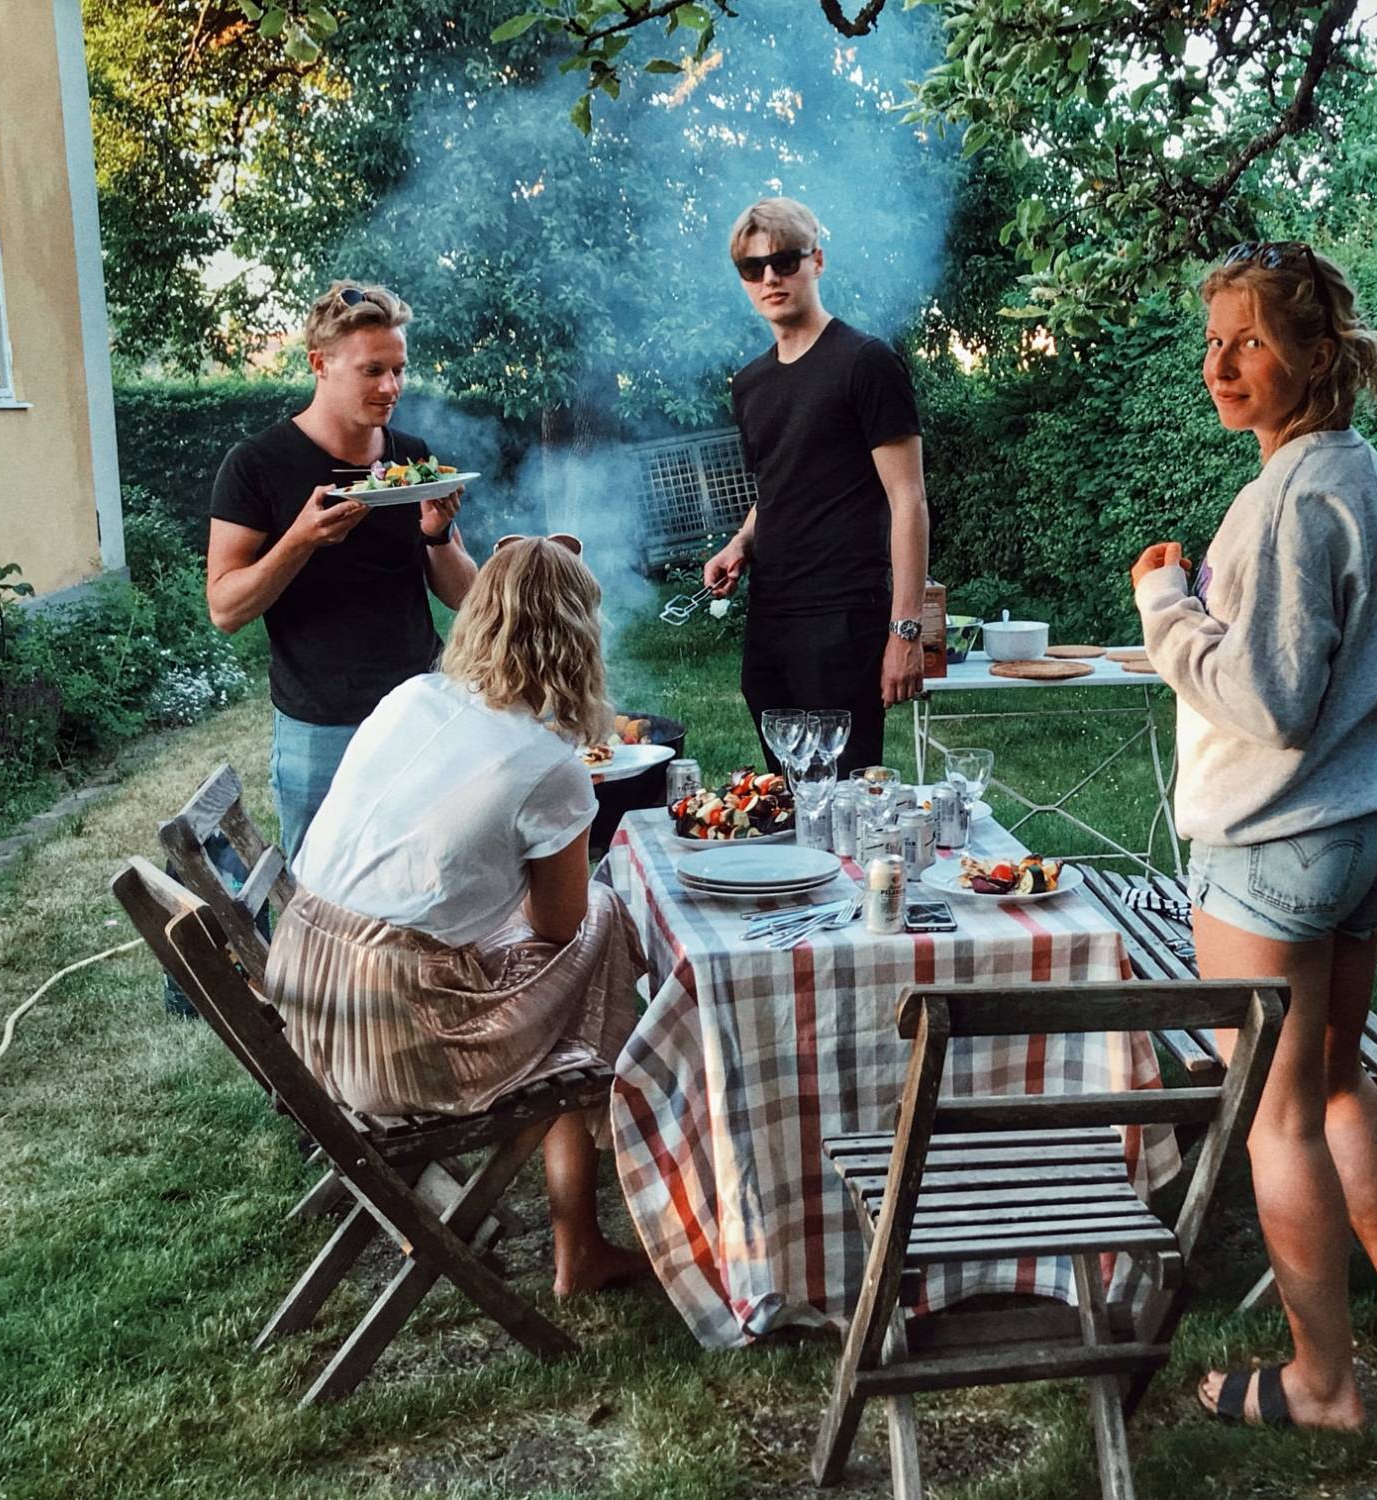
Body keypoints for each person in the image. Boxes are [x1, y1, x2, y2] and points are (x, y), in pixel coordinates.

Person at [1130, 242, 1377, 1428]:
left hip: (1276, 847)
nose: (1219, 364)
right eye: (1212, 341)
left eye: (1249, 341)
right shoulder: (1366, 481)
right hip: (1369, 833)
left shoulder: (1282, 502)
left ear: (1319, 357)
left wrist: (1165, 610)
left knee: (1274, 1117)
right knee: (1335, 1087)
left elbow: (1266, 700)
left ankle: (1322, 1385)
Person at [263, 536, 648, 1297]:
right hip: (391, 1038)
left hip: (302, 1000)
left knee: (567, 958)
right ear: (579, 637)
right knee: (604, 925)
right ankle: (595, 1214)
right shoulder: (551, 766)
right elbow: (560, 928)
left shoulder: (411, 696)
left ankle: (584, 1229)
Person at [206, 281, 478, 858]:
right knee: (317, 897)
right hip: (319, 726)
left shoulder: (410, 456)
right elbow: (225, 608)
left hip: (418, 711)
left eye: (399, 370)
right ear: (320, 364)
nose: (391, 387)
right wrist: (300, 540)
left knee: (425, 878)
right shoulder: (257, 465)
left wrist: (435, 535)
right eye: (372, 370)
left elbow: (464, 595)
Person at [702, 197, 929, 774]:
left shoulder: (866, 363)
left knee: (845, 804)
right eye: (753, 269)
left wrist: (906, 631)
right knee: (782, 802)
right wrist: (739, 544)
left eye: (784, 261)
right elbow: (777, 488)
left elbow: (909, 501)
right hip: (769, 621)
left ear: (817, 261)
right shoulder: (750, 384)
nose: (770, 278)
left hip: (845, 621)